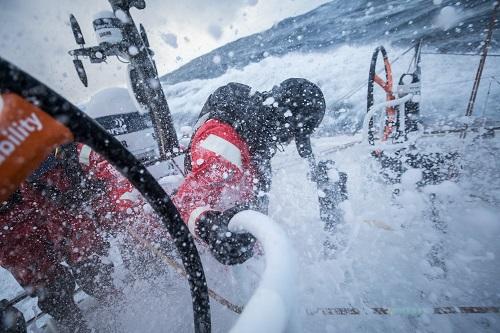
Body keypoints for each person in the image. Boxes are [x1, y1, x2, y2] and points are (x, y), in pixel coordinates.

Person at [173, 78, 326, 265]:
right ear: (286, 125)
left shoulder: (259, 141)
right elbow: (183, 203)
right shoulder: (226, 148)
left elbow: (258, 206)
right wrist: (212, 229)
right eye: (293, 135)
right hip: (186, 242)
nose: (288, 142)